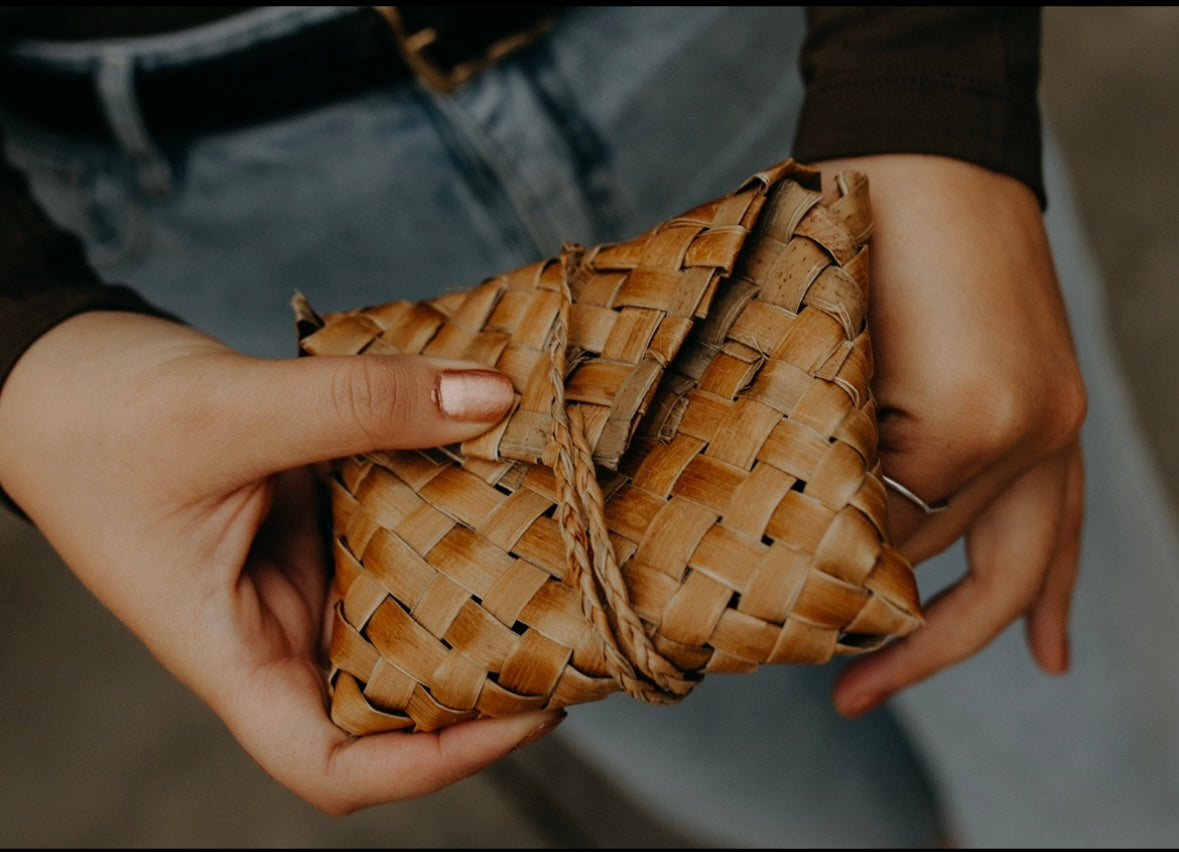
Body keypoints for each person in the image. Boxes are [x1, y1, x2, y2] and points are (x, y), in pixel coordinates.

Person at [0, 6, 1175, 847]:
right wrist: (26, 358)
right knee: (806, 815)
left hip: (773, 64)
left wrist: (936, 79)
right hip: (212, 198)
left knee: (1105, 774)